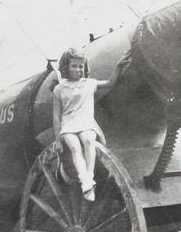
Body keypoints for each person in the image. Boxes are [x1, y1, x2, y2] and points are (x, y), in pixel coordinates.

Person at [52, 47, 130, 201]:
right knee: (74, 147)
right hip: (68, 124)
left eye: (81, 66)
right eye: (74, 65)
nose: (77, 69)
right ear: (66, 67)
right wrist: (57, 139)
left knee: (88, 141)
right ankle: (85, 180)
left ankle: (89, 177)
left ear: (85, 67)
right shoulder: (59, 89)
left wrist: (119, 66)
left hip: (86, 122)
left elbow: (109, 83)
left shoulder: (89, 83)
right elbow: (56, 116)